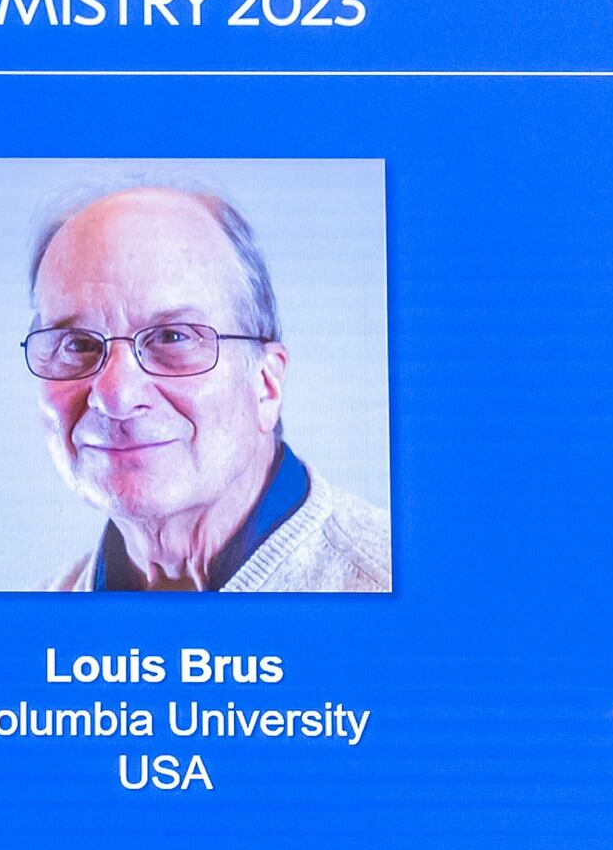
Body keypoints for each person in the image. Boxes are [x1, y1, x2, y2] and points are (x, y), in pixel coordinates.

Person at [21, 184, 388, 593]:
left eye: (172, 338)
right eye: (79, 346)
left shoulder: (405, 594)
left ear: (266, 384)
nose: (116, 396)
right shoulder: (27, 623)